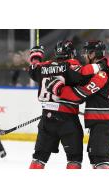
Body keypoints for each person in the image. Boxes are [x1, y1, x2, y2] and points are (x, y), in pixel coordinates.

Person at [47, 41, 109, 169]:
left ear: (93, 54)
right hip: (102, 120)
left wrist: (59, 90)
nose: (84, 55)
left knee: (101, 160)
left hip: (104, 121)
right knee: (95, 160)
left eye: (86, 52)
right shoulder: (105, 67)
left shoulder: (102, 73)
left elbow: (82, 93)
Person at [28, 41, 87, 169]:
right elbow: (83, 79)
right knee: (74, 160)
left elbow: (33, 69)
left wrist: (36, 54)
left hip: (46, 119)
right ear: (71, 53)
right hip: (68, 120)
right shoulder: (71, 65)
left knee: (38, 159)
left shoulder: (42, 67)